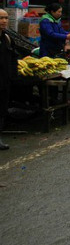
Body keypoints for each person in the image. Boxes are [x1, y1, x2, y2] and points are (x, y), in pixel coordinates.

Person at [0, 9, 17, 150]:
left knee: (1, 110)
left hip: (4, 81)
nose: (4, 21)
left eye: (6, 18)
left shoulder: (7, 38)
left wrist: (12, 76)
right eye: (1, 18)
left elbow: (13, 58)